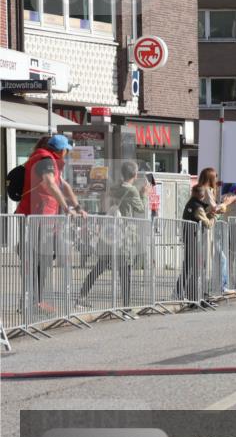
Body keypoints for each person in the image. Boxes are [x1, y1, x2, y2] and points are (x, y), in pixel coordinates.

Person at [17, 135, 86, 314]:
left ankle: (35, 300)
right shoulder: (46, 160)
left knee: (45, 258)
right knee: (40, 259)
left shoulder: (49, 161)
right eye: (67, 151)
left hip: (43, 218)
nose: (67, 154)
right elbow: (49, 183)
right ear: (61, 150)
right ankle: (34, 301)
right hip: (37, 217)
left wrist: (78, 207)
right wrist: (66, 208)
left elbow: (64, 186)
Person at [77, 160, 146, 308]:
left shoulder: (114, 188)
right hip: (123, 234)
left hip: (109, 233)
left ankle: (82, 295)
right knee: (124, 269)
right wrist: (144, 195)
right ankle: (126, 306)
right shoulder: (132, 190)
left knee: (100, 266)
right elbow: (140, 209)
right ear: (134, 174)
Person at [176, 185, 215, 301]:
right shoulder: (197, 207)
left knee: (188, 266)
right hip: (194, 239)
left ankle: (184, 292)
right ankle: (186, 293)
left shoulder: (190, 204)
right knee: (191, 267)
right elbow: (207, 224)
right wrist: (214, 217)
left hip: (189, 237)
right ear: (202, 195)